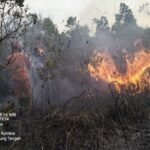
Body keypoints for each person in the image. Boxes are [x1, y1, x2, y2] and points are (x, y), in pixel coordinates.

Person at [7, 39, 32, 114]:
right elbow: (30, 66)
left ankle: (20, 111)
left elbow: (8, 68)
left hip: (15, 79)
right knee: (28, 94)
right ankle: (28, 111)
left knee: (19, 95)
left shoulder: (9, 57)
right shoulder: (24, 56)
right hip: (24, 78)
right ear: (20, 48)